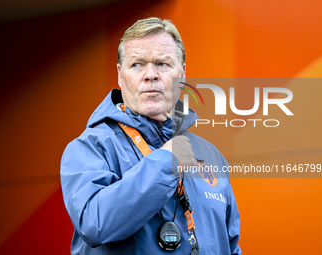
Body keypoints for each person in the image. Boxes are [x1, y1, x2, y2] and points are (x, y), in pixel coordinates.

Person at [60, 17, 241, 255]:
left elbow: (230, 246)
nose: (150, 75)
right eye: (137, 64)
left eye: (163, 64)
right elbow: (94, 224)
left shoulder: (211, 156)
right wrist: (166, 163)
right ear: (120, 75)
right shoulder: (91, 148)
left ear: (182, 74)